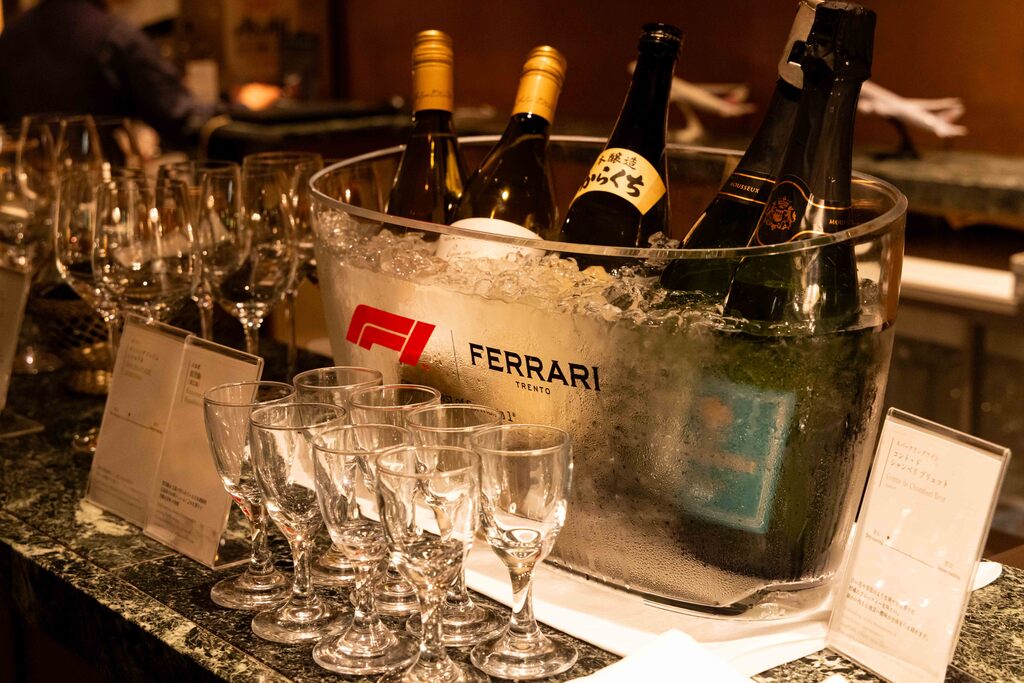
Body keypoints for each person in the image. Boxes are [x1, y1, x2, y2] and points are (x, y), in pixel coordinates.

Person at [0, 0, 219, 149]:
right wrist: (235, 109)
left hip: (28, 188)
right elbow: (181, 118)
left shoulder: (11, 35)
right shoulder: (114, 36)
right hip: (103, 188)